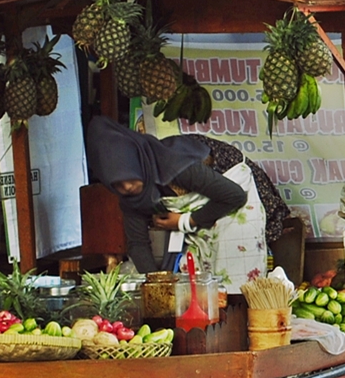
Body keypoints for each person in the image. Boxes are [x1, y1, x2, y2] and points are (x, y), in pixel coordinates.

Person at [86, 117, 248, 274]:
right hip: (203, 219)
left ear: (137, 163)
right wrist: (156, 282)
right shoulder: (130, 199)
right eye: (117, 184)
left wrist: (185, 221)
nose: (127, 187)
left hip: (233, 200)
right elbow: (137, 243)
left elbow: (234, 195)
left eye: (129, 177)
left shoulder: (174, 164)